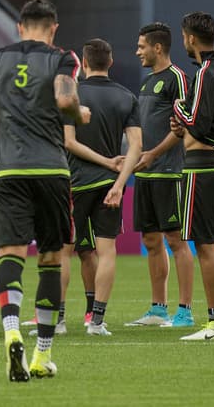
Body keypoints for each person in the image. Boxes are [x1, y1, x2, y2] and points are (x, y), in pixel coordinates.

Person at [0, 0, 83, 382]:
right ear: (54, 28)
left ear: (19, 26)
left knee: (10, 254)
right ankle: (41, 355)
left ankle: (12, 330)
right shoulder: (63, 58)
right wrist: (80, 114)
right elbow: (66, 100)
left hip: (8, 170)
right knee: (50, 258)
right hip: (50, 170)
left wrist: (8, 106)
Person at [61, 38, 141, 337]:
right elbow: (136, 147)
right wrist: (119, 182)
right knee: (106, 251)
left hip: (74, 183)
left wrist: (107, 164)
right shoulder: (126, 97)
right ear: (110, 62)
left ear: (83, 61)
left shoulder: (72, 93)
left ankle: (56, 321)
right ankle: (97, 321)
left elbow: (69, 142)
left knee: (63, 252)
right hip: (110, 186)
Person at [170, 12, 214, 341]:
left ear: (191, 39)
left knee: (205, 245)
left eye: (184, 36)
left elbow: (197, 120)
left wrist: (178, 109)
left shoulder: (207, 72)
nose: (183, 41)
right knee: (212, 246)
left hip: (204, 163)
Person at [125, 22, 195, 329]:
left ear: (157, 47)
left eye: (141, 46)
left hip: (169, 173)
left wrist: (153, 154)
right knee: (151, 240)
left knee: (176, 240)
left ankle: (185, 311)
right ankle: (157, 309)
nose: (137, 51)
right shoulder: (145, 83)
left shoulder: (178, 79)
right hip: (145, 175)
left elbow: (182, 129)